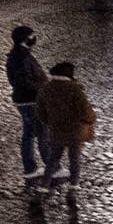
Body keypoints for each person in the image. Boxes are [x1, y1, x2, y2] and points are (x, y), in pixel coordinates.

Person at [35, 62, 94, 195]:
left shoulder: (46, 88)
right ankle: (74, 183)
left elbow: (40, 111)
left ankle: (45, 184)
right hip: (74, 129)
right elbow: (85, 110)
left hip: (56, 129)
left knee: (53, 158)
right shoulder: (75, 89)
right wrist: (90, 120)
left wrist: (49, 122)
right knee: (74, 157)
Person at [10, 25, 46, 183]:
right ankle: (52, 166)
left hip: (24, 99)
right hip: (30, 100)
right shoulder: (21, 57)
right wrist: (42, 89)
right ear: (25, 38)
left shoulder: (19, 54)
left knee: (29, 134)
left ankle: (30, 168)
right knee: (42, 133)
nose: (34, 38)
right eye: (32, 35)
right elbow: (24, 80)